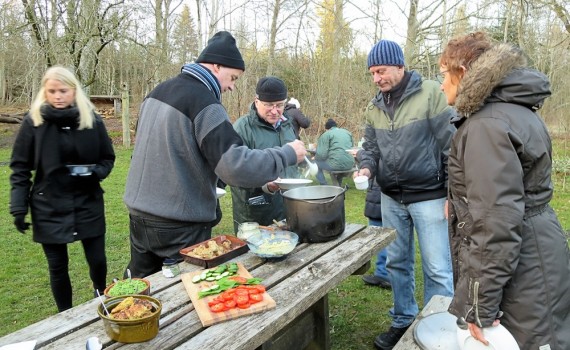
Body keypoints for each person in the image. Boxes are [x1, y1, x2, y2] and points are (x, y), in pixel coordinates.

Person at [123, 31, 306, 278]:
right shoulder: (204, 102)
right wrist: (285, 154)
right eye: (232, 77)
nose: (231, 86)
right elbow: (235, 166)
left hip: (139, 217)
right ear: (216, 66)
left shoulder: (156, 92)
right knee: (188, 293)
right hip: (180, 224)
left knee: (143, 294)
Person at [440, 31, 570, 350]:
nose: (441, 84)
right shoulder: (515, 112)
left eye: (444, 74)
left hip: (521, 273)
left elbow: (494, 224)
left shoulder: (486, 125)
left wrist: (477, 306)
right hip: (534, 255)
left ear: (464, 72)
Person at [356, 39, 456, 349]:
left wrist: (453, 193)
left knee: (437, 266)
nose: (377, 78)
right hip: (390, 197)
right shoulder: (375, 106)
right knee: (397, 262)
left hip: (430, 195)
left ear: (400, 65)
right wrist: (366, 169)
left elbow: (451, 146)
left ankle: (439, 326)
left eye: (382, 70)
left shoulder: (430, 94)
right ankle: (402, 320)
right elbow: (370, 147)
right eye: (372, 73)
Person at [9, 66, 116, 312]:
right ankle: (64, 315)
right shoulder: (33, 123)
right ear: (44, 93)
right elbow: (20, 168)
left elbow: (108, 158)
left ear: (74, 91)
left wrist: (95, 173)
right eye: (52, 91)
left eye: (63, 91)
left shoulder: (91, 120)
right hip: (49, 205)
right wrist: (18, 207)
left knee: (98, 261)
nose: (57, 96)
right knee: (57, 267)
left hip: (88, 201)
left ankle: (101, 300)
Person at [230, 77, 301, 232]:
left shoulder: (287, 125)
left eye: (280, 105)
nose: (275, 111)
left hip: (288, 208)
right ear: (257, 101)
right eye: (269, 105)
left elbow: (292, 164)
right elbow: (233, 172)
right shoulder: (242, 128)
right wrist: (265, 185)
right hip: (255, 216)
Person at [314, 118, 355, 185]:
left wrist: (315, 158)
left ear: (327, 129)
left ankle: (325, 186)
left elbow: (321, 155)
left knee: (315, 165)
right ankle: (338, 184)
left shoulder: (326, 134)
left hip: (335, 165)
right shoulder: (347, 133)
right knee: (339, 161)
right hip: (350, 164)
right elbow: (352, 147)